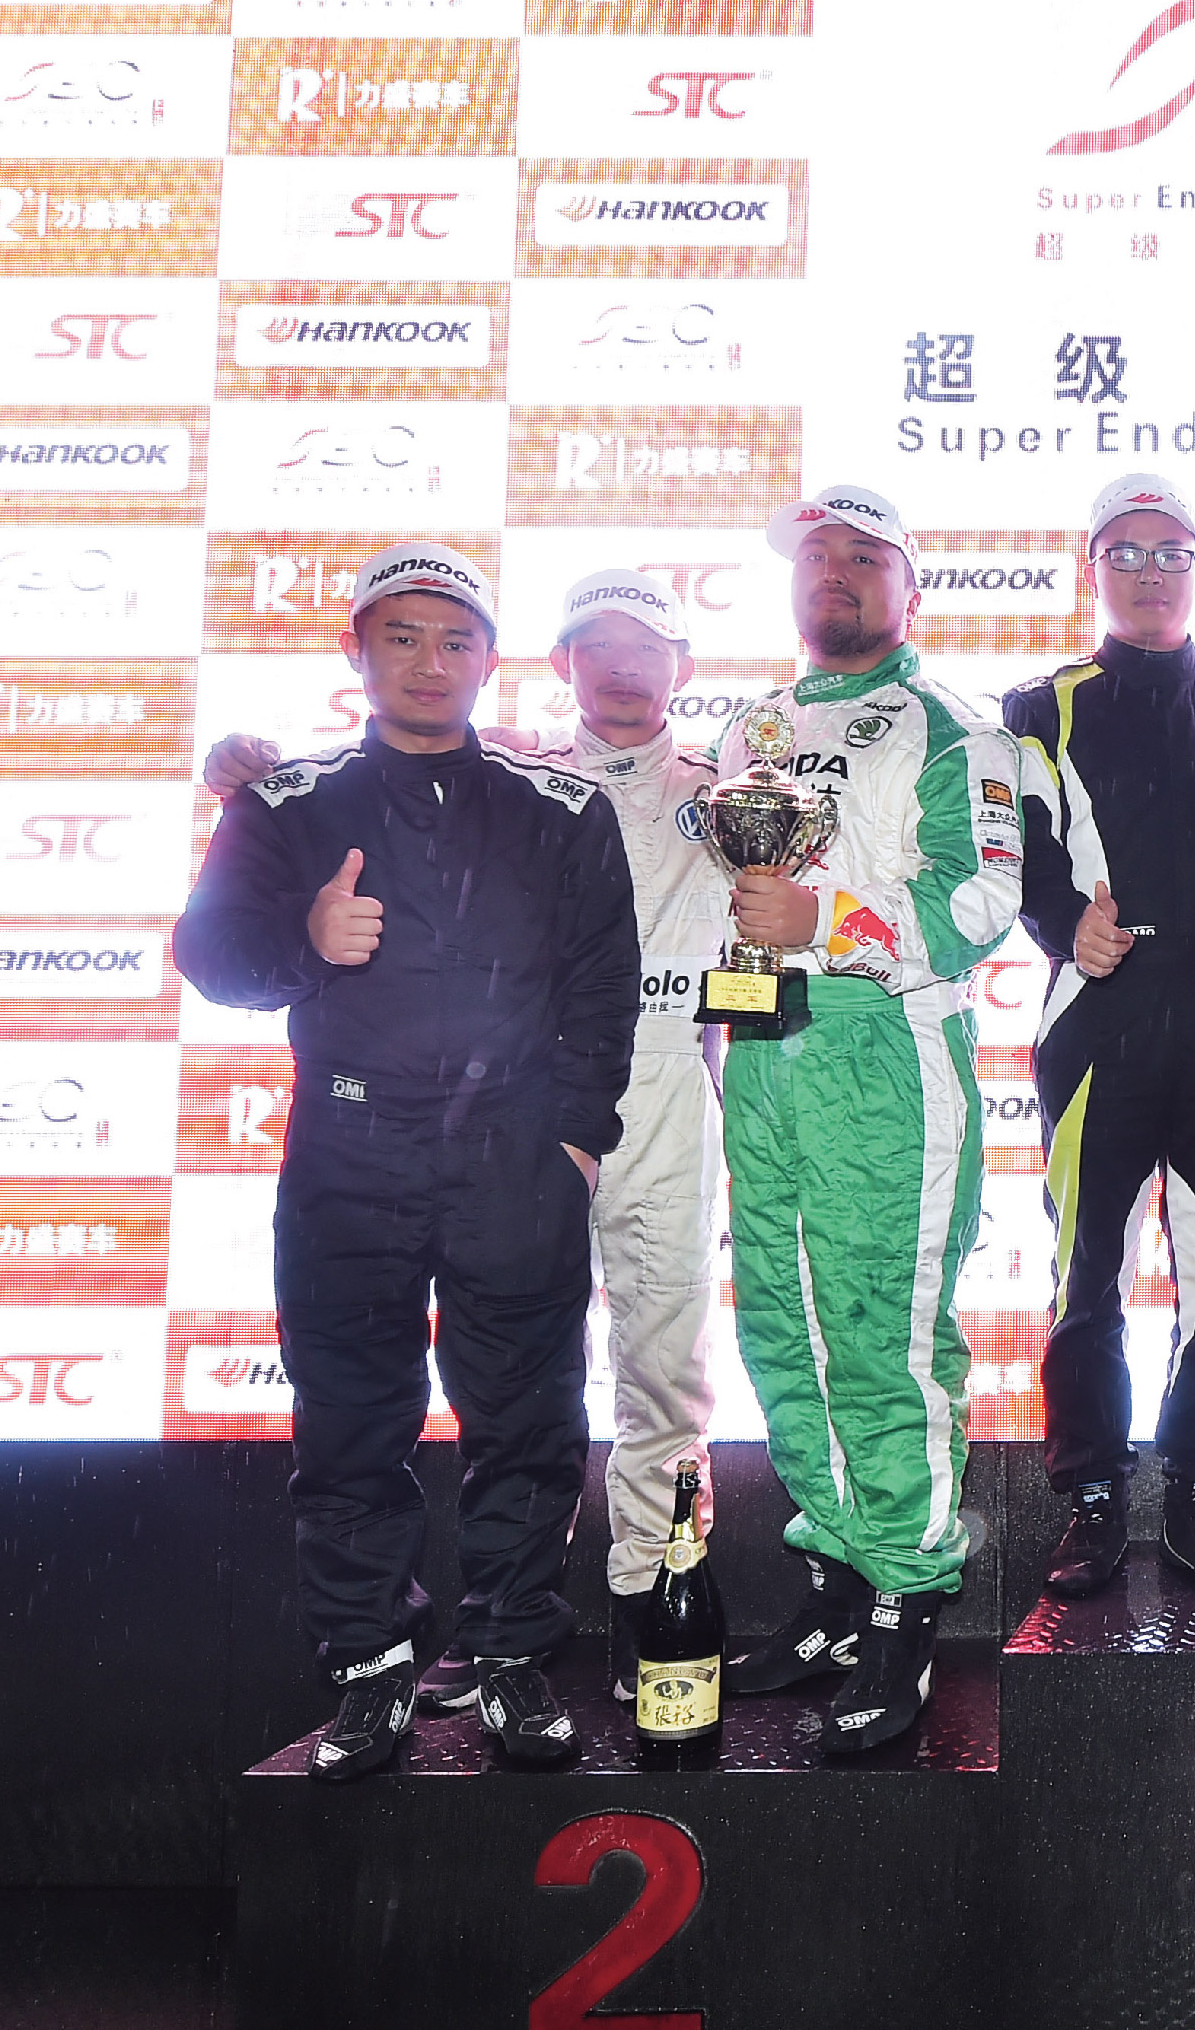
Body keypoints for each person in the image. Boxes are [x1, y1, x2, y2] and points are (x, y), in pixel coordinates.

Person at [204, 569, 726, 1713]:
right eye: (403, 638)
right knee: (351, 1419)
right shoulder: (288, 802)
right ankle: (368, 1665)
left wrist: (575, 1141)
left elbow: (604, 987)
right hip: (349, 1147)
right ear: (357, 652)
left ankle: (511, 1655)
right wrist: (304, 937)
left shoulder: (564, 804)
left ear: (490, 660)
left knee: (528, 1419)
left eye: (455, 641)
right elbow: (214, 958)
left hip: (517, 1153)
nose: (430, 662)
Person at [705, 484, 1025, 1754]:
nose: (832, 572)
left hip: (887, 1048)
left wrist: (831, 921)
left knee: (883, 1338)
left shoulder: (954, 725)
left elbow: (983, 900)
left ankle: (907, 1597)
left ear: (911, 584)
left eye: (862, 555)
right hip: (763, 1050)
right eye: (815, 556)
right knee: (782, 1332)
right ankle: (839, 1577)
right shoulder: (753, 728)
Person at [1005, 473, 1195, 1597]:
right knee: (1089, 1272)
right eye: (1126, 553)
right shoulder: (1043, 704)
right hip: (1098, 1021)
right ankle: (1089, 1496)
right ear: (1093, 570)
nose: (1150, 573)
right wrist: (1064, 921)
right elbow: (1015, 848)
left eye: (1172, 554)